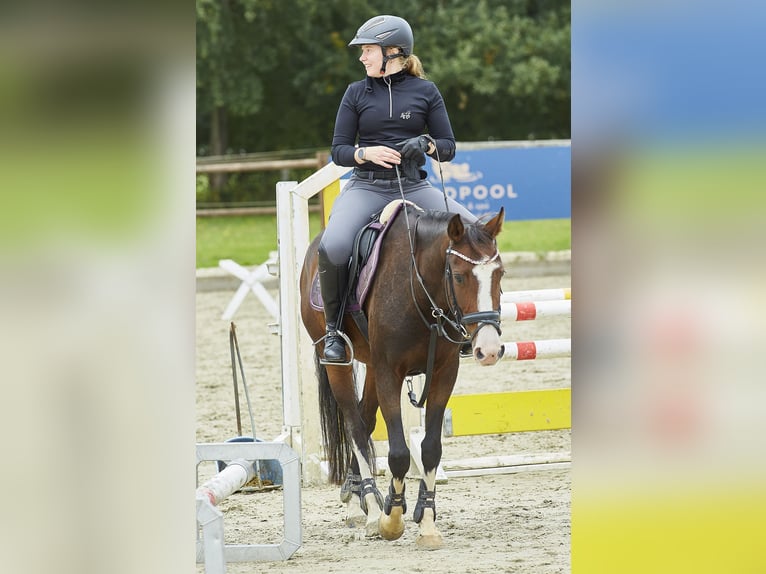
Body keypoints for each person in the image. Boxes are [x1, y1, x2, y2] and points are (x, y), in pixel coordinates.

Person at [317, 14, 477, 363]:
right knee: (334, 245)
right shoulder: (355, 93)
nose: (362, 58)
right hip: (367, 187)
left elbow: (448, 146)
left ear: (393, 52)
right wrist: (364, 152)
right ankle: (334, 333)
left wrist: (427, 145)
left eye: (368, 50)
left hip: (414, 186)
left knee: (476, 233)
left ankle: (469, 323)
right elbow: (339, 150)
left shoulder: (426, 91)